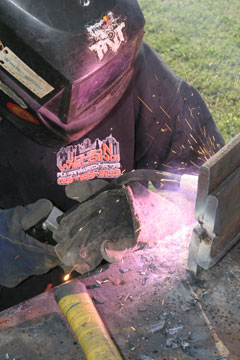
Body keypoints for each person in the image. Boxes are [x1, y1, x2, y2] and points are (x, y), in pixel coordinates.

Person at [0, 0, 224, 309]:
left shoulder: (134, 70)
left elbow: (215, 191)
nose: (101, 97)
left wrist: (146, 213)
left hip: (120, 300)